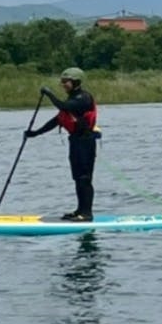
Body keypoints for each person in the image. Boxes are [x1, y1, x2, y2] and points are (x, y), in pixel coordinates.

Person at [25, 66, 100, 221]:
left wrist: (49, 94)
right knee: (77, 178)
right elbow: (57, 120)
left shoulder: (83, 98)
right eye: (63, 81)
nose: (64, 84)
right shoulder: (72, 98)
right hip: (75, 141)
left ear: (76, 82)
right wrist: (35, 133)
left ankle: (87, 214)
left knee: (84, 178)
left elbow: (63, 107)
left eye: (66, 81)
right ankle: (79, 210)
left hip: (86, 142)